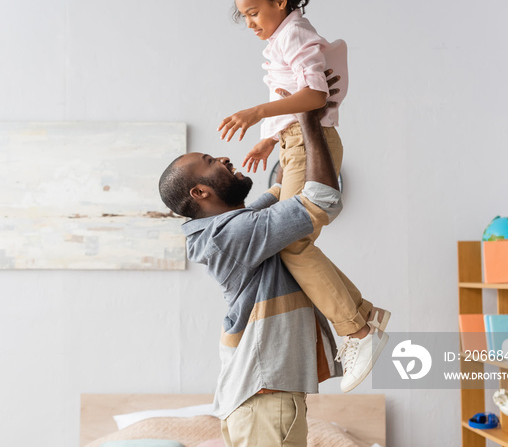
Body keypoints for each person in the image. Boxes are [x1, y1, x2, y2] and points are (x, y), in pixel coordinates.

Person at [159, 75, 384, 446]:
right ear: (200, 192)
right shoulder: (229, 236)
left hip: (259, 397)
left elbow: (282, 191)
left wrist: (289, 129)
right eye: (211, 161)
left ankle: (361, 322)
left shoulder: (233, 226)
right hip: (263, 397)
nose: (225, 157)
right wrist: (308, 117)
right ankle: (358, 327)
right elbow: (320, 200)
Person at [216, 0, 390, 393]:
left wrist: (257, 112)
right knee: (289, 237)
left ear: (280, 1)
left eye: (254, 12)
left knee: (291, 242)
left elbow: (313, 95)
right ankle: (366, 318)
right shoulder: (284, 36)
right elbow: (295, 96)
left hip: (307, 145)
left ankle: (359, 331)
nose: (250, 23)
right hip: (295, 142)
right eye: (244, 16)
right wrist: (270, 137)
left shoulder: (293, 33)